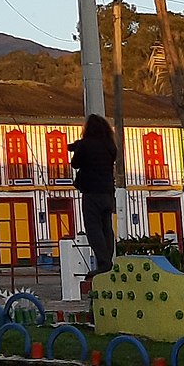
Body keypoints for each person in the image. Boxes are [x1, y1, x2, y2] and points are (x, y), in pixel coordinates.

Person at [69, 114, 120, 282]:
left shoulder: (85, 145)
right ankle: (108, 260)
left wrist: (77, 147)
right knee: (107, 227)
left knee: (93, 228)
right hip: (107, 191)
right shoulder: (110, 145)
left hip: (91, 192)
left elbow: (75, 163)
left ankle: (103, 263)